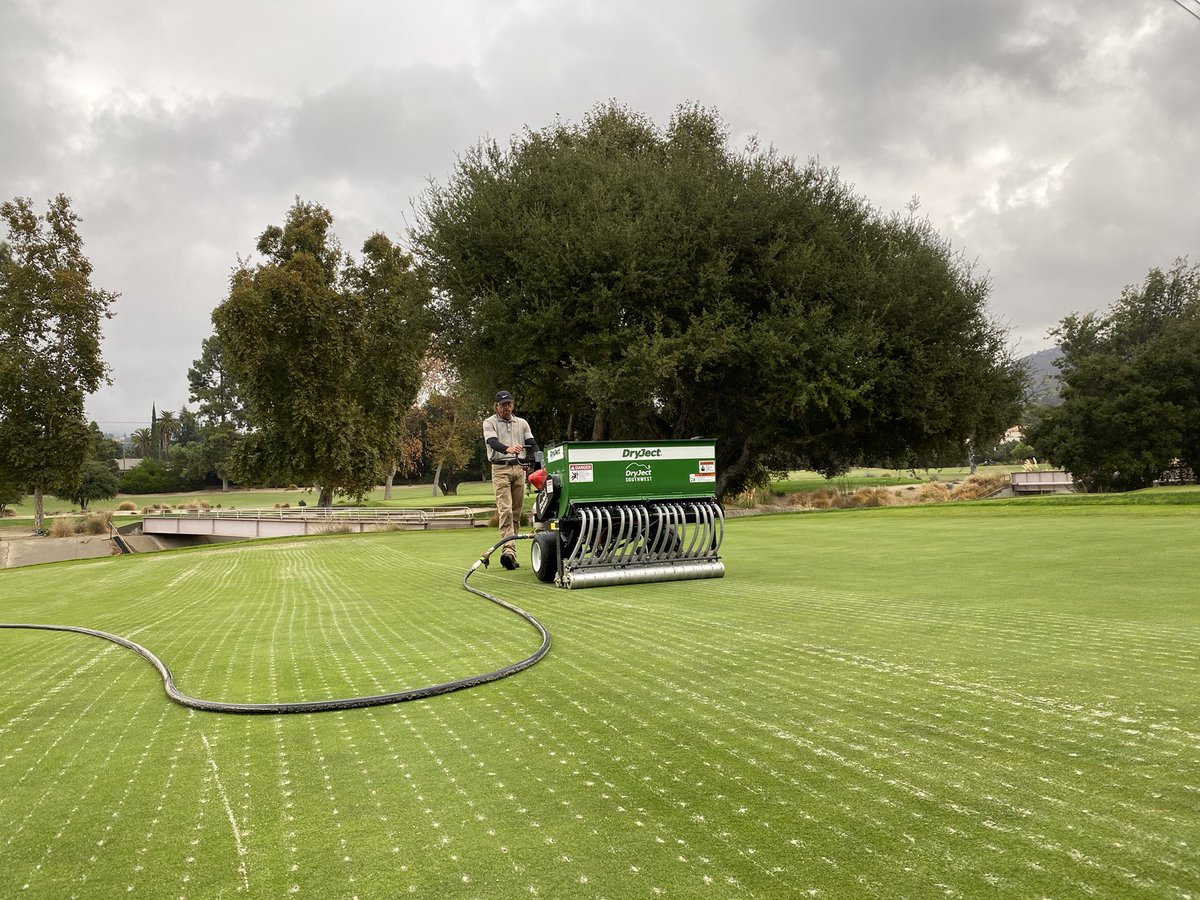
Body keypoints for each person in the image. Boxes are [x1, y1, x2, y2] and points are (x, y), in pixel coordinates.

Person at [483, 390, 539, 570]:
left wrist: (539, 459)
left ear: (512, 405)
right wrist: (508, 449)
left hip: (519, 468)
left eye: (509, 404)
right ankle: (508, 551)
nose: (507, 407)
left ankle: (510, 552)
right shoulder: (489, 422)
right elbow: (492, 442)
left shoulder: (521, 423)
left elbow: (532, 442)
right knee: (505, 510)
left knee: (516, 511)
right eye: (503, 405)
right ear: (496, 407)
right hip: (500, 468)